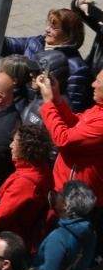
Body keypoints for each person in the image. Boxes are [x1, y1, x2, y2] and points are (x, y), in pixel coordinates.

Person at [38, 67, 103, 204]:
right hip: (66, 189)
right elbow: (76, 124)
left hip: (76, 200)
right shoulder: (98, 108)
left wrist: (48, 104)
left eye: (98, 81)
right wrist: (56, 98)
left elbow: (64, 139)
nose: (93, 84)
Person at [6, 9, 92, 113]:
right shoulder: (36, 42)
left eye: (54, 27)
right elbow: (9, 44)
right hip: (18, 103)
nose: (47, 29)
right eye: (48, 24)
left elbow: (72, 108)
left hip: (40, 115)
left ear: (68, 34)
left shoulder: (77, 68)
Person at [0, 123, 56, 252]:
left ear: (26, 148)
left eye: (15, 142)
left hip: (9, 242)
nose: (11, 146)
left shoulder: (26, 182)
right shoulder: (40, 169)